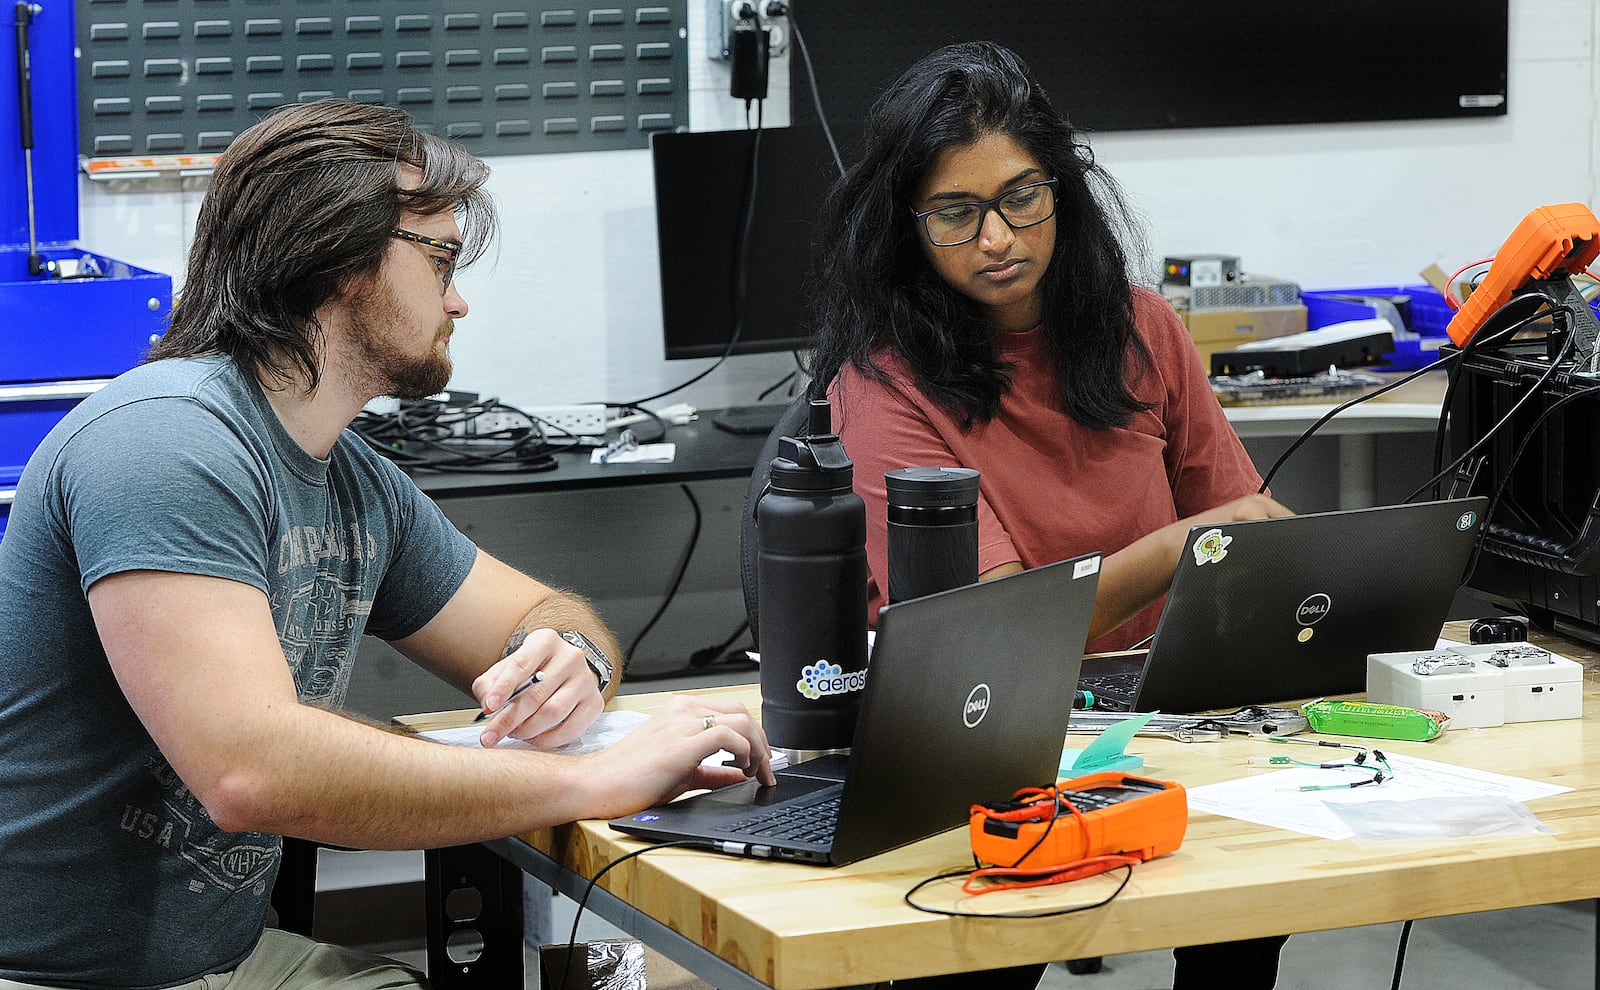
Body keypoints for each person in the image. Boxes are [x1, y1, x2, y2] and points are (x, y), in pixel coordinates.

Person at [0, 99, 773, 990]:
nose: (459, 298)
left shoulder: (351, 477)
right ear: (333, 257)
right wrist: (600, 782)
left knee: (675, 980)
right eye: (439, 257)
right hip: (53, 978)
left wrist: (567, 664)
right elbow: (250, 770)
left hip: (225, 963)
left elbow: (539, 615)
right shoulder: (164, 441)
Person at [808, 43, 1291, 988]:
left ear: (1062, 191)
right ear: (907, 227)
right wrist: (1185, 545)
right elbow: (1001, 637)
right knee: (997, 944)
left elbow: (1241, 530)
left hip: (1164, 716)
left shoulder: (1142, 326)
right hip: (986, 733)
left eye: (1022, 198)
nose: (999, 237)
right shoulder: (881, 385)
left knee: (1257, 897)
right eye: (956, 213)